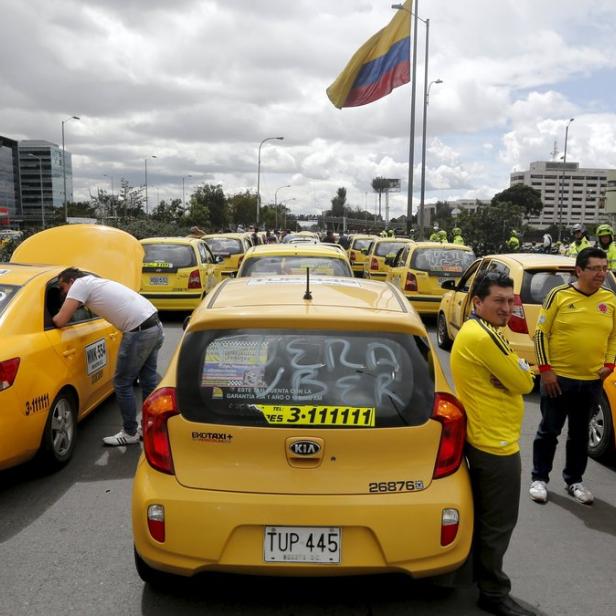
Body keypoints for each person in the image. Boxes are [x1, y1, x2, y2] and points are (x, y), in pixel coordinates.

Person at [451, 272, 535, 616]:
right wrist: (517, 371)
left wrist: (513, 372)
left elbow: (515, 376)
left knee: (486, 520)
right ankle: (493, 592)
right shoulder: (483, 337)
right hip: (494, 444)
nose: (507, 307)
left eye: (510, 299)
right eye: (498, 300)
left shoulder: (484, 331)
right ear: (477, 303)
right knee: (498, 524)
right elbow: (523, 382)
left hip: (488, 437)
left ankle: (475, 579)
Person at [529, 247, 616, 505]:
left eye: (605, 267)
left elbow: (613, 336)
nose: (601, 273)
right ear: (579, 270)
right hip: (558, 379)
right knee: (549, 431)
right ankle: (539, 479)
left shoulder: (611, 300)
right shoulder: (559, 295)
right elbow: (541, 333)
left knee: (579, 435)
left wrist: (609, 364)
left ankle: (574, 480)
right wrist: (546, 370)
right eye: (595, 268)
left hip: (591, 381)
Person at [52, 267, 164, 446]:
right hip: (154, 325)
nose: (63, 292)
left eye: (62, 287)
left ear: (71, 281)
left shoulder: (80, 285)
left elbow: (60, 320)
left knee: (122, 383)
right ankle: (150, 427)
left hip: (139, 332)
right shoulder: (94, 282)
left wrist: (52, 317)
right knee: (148, 381)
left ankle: (129, 432)